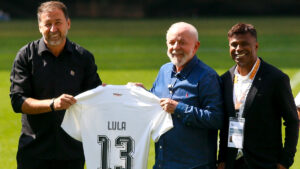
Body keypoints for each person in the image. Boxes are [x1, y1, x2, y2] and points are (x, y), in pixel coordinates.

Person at [9, 1, 101, 169]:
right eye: (47, 24)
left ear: (68, 23)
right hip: (34, 152)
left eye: (58, 22)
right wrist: (53, 104)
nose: (53, 29)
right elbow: (18, 101)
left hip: (72, 152)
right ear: (39, 27)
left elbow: (96, 96)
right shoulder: (26, 56)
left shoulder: (83, 57)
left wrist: (127, 90)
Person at [134, 22, 223, 169]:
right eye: (172, 42)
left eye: (182, 43)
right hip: (163, 163)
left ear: (196, 46)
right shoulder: (164, 70)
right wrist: (143, 94)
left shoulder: (207, 77)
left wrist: (179, 109)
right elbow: (158, 103)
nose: (176, 47)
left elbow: (216, 118)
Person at [217, 23, 299, 169]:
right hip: (232, 162)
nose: (238, 49)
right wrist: (222, 159)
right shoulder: (225, 80)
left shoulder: (276, 79)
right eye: (234, 44)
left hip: (264, 163)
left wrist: (285, 162)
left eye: (244, 44)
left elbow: (292, 121)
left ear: (256, 46)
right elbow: (225, 124)